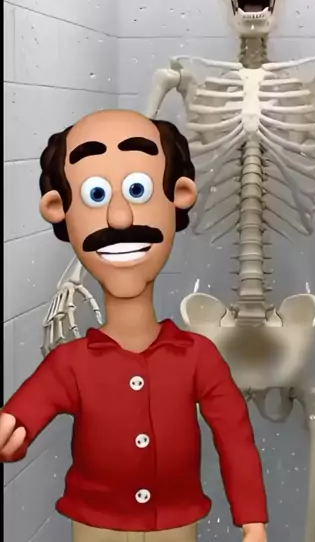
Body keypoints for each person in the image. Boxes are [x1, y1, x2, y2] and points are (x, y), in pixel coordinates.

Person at [0, 110, 268, 542]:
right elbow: (18, 420)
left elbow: (235, 439)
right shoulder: (70, 365)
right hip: (95, 527)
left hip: (175, 526)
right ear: (58, 209)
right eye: (96, 194)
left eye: (137, 190)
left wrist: (253, 521)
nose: (120, 218)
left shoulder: (198, 358)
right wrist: (12, 435)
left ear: (180, 195)